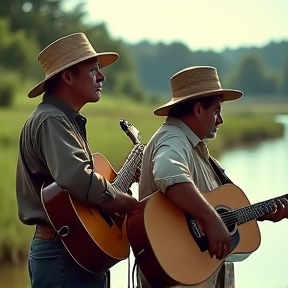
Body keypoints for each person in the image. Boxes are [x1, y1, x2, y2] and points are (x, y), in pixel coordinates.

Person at [137, 66, 288, 288]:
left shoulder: (193, 147)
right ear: (198, 109)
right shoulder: (173, 139)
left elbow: (212, 214)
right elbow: (168, 173)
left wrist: (256, 214)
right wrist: (210, 219)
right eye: (217, 111)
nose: (221, 120)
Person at [16, 32, 140, 288]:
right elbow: (77, 178)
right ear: (68, 76)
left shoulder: (63, 120)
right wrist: (126, 203)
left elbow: (76, 192)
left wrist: (116, 185)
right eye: (94, 70)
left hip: (76, 251)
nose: (102, 77)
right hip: (62, 254)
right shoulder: (51, 119)